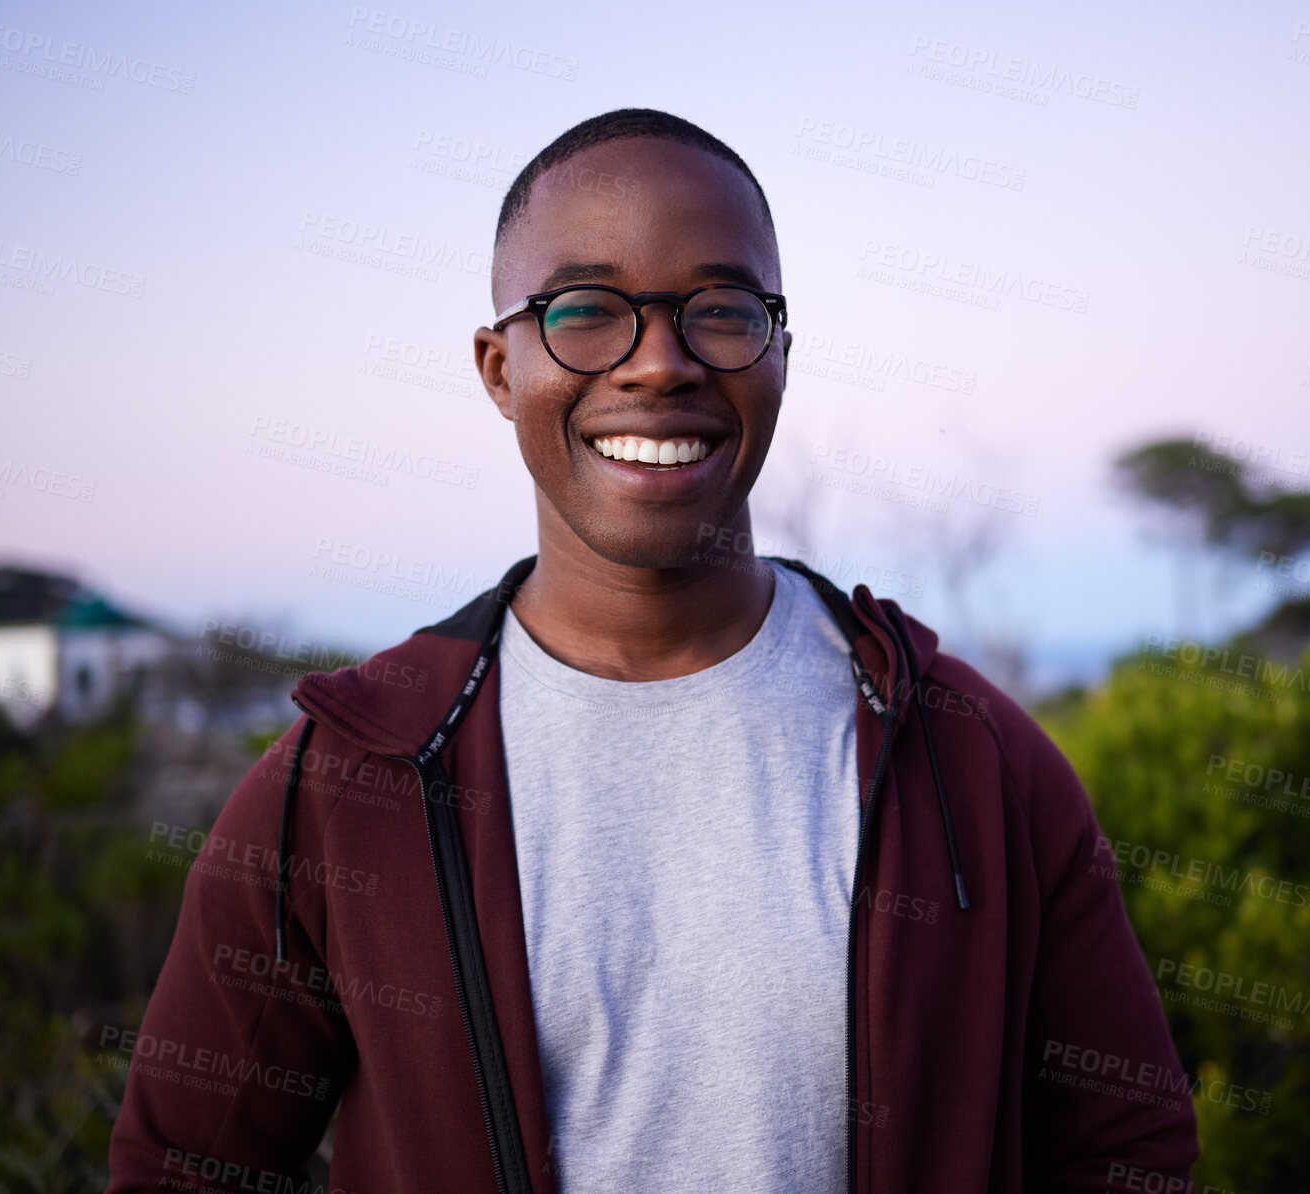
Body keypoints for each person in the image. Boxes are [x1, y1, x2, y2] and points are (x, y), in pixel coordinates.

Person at [107, 108, 1197, 1194]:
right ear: (497, 369)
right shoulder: (350, 775)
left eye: (719, 310)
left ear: (779, 352)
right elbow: (186, 1167)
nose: (661, 364)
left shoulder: (972, 758)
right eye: (585, 311)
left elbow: (1126, 1156)